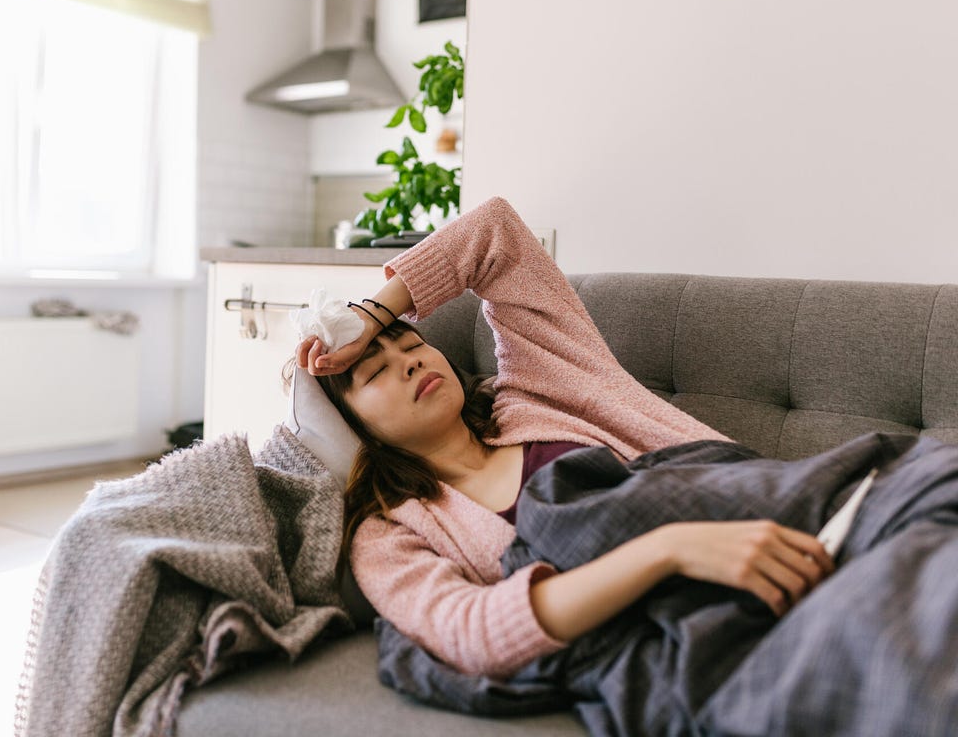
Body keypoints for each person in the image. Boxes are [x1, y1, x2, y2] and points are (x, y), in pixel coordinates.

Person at [295, 196, 835, 679]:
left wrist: (371, 314)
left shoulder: (538, 387)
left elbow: (493, 231)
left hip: (765, 506)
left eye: (408, 344)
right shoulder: (389, 534)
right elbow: (472, 630)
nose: (409, 362)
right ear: (355, 427)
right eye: (374, 371)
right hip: (691, 614)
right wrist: (670, 550)